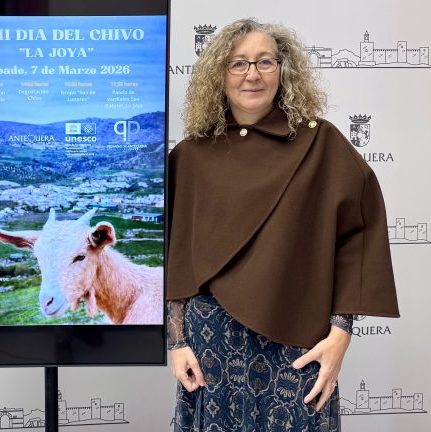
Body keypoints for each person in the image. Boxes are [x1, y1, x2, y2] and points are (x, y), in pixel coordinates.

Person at [167, 18, 399, 431]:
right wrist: (177, 342)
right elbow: (175, 255)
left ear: (283, 70)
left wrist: (340, 334)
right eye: (238, 63)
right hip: (211, 349)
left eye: (265, 62)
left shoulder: (321, 143)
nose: (252, 74)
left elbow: (358, 239)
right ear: (219, 74)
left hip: (297, 346)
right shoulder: (190, 156)